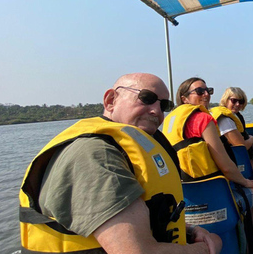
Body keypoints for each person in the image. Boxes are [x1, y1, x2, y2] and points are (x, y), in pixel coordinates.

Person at [19, 73, 222, 254]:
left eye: (163, 105)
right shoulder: (94, 156)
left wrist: (191, 230)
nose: (156, 111)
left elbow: (138, 218)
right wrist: (207, 247)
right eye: (147, 98)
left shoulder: (127, 148)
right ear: (111, 100)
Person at [162, 77, 253, 252]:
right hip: (216, 204)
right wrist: (245, 182)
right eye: (200, 91)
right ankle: (248, 243)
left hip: (186, 205)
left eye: (208, 90)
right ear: (184, 98)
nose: (206, 94)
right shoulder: (202, 119)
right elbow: (225, 165)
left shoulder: (169, 122)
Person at [212, 87, 253, 184]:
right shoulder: (225, 120)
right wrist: (252, 139)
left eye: (241, 101)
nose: (237, 104)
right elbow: (242, 147)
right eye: (234, 100)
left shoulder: (233, 116)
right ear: (226, 100)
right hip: (234, 163)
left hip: (235, 159)